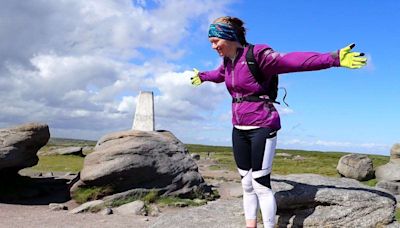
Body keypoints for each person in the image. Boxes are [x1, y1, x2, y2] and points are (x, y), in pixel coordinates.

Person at [190, 16, 367, 228]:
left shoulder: (258, 56)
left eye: (215, 40)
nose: (212, 46)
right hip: (238, 128)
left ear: (228, 36)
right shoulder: (228, 63)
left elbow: (294, 61)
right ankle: (250, 225)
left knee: (260, 184)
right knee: (246, 184)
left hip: (262, 126)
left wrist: (333, 58)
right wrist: (202, 76)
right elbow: (218, 75)